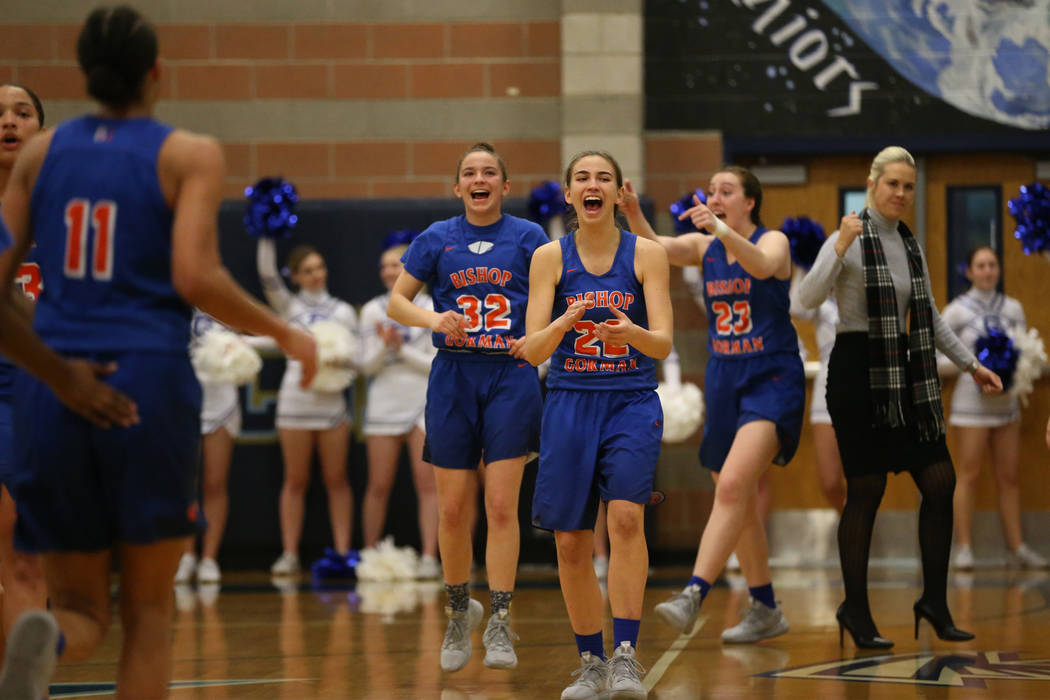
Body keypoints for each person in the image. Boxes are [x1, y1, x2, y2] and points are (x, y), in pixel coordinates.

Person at [0, 7, 317, 698]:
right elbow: (195, 278)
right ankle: (46, 639)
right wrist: (286, 331)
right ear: (156, 73)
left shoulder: (40, 154)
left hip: (55, 389)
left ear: (85, 76)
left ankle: (46, 637)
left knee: (80, 605)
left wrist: (62, 375)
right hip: (146, 381)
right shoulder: (187, 153)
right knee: (147, 614)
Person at [798, 145, 1002, 649]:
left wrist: (974, 366)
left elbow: (929, 320)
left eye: (909, 186)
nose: (901, 194)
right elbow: (804, 302)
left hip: (905, 376)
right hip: (855, 375)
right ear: (872, 184)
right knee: (865, 492)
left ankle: (933, 601)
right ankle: (855, 609)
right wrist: (839, 246)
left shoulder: (909, 243)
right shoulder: (846, 234)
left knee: (940, 480)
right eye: (893, 184)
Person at [625, 167, 803, 647]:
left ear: (749, 202)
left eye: (727, 191)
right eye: (711, 191)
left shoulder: (775, 242)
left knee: (732, 488)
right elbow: (655, 248)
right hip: (725, 378)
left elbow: (763, 267)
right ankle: (765, 606)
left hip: (772, 377)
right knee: (734, 497)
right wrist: (634, 214)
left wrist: (720, 229)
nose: (715, 196)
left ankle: (694, 593)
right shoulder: (705, 249)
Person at [387, 142, 547, 672]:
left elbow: (551, 309)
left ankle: (500, 621)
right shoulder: (436, 238)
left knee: (502, 507)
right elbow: (397, 302)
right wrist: (433, 320)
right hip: (453, 377)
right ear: (458, 188)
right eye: (469, 173)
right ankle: (460, 611)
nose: (480, 179)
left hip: (511, 376)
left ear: (504, 185)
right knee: (452, 509)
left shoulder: (530, 238)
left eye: (490, 172)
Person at [526, 150, 672, 700]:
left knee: (628, 521)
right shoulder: (548, 258)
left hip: (630, 400)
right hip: (567, 402)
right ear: (569, 194)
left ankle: (627, 656)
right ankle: (591, 661)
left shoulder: (647, 254)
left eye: (603, 178)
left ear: (617, 193)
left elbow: (662, 342)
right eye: (582, 178)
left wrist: (630, 333)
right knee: (569, 541)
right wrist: (564, 321)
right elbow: (529, 349)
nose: (593, 185)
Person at [257, 236, 357, 577]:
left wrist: (336, 359)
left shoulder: (343, 311)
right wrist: (265, 232)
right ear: (295, 276)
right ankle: (289, 553)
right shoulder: (288, 307)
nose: (317, 275)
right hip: (295, 403)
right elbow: (266, 273)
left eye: (320, 267)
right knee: (295, 480)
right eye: (308, 270)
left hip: (331, 404)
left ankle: (343, 552)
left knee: (337, 479)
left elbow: (355, 360)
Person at [939, 246, 1045, 569]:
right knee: (968, 475)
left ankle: (1018, 547)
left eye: (992, 264)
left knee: (1009, 477)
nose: (987, 270)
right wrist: (973, 364)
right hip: (971, 405)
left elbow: (1026, 350)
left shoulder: (1013, 308)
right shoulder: (956, 310)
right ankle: (965, 548)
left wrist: (1018, 364)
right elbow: (935, 358)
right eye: (980, 265)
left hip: (1006, 404)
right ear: (969, 271)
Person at [0, 82, 49, 661]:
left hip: (51, 388)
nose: (8, 122)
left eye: (22, 112)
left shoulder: (69, 213)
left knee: (29, 552)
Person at [358, 234, 440, 579]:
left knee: (428, 485)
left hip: (422, 403)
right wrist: (383, 348)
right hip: (384, 404)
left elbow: (436, 363)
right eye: (384, 266)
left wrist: (400, 350)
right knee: (378, 484)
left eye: (396, 264)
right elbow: (366, 367)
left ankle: (428, 557)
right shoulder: (372, 310)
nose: (389, 270)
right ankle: (369, 554)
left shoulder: (433, 306)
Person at [174, 309, 245, 585]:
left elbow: (252, 336)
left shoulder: (225, 301)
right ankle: (186, 555)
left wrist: (239, 346)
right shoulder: (172, 297)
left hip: (221, 398)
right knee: (184, 484)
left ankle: (209, 558)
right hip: (183, 397)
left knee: (215, 483)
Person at [790, 287, 847, 512]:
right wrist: (803, 257)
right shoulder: (821, 302)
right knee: (829, 480)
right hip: (827, 388)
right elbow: (795, 306)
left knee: (861, 475)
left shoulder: (866, 291)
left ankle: (859, 533)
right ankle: (849, 520)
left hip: (864, 385)